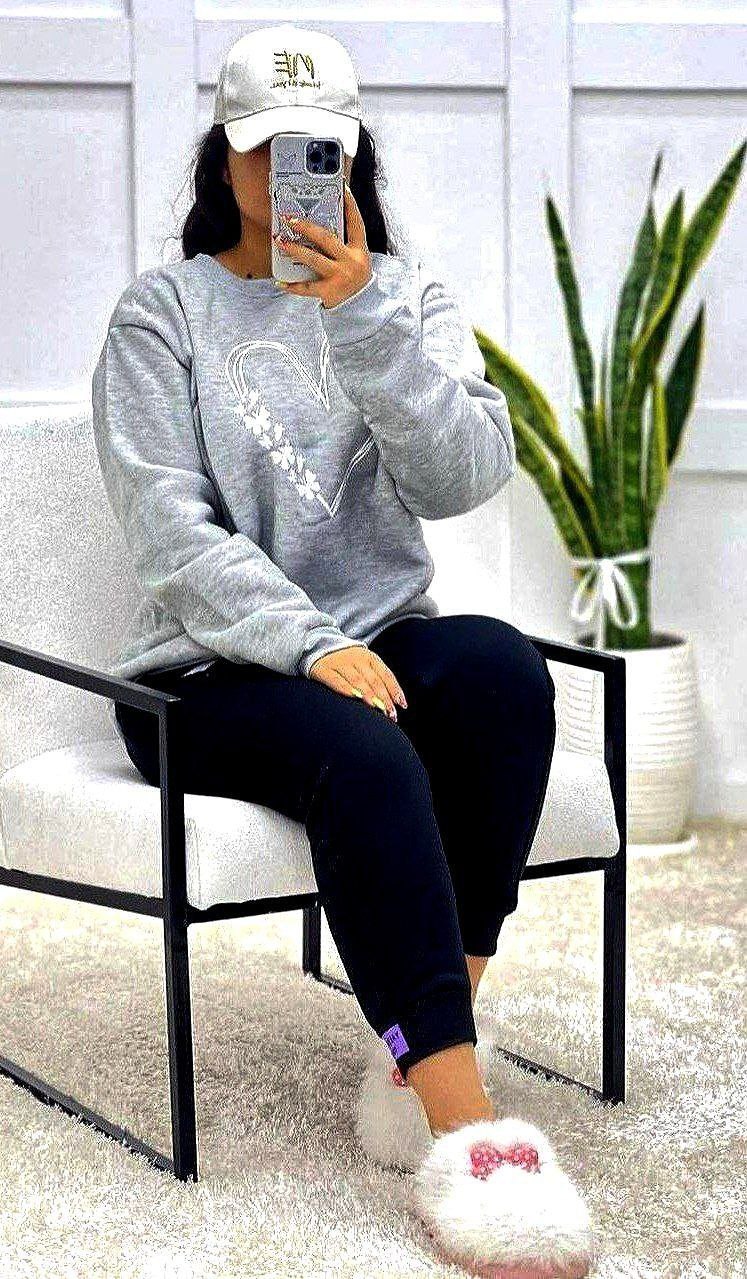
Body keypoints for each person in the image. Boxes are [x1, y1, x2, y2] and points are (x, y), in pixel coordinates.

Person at [91, 23, 595, 1278]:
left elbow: (465, 475)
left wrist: (363, 317)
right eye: (266, 149)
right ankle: (472, 1137)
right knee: (367, 751)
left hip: (373, 644)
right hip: (201, 673)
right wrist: (310, 645)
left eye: (318, 149)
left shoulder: (402, 299)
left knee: (501, 673)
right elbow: (171, 536)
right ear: (223, 156)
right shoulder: (163, 315)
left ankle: (418, 1048)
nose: (290, 175)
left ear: (353, 156)